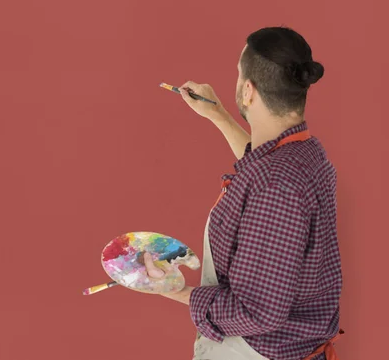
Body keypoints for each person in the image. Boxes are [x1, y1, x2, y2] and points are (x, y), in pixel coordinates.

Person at [142, 27, 343, 360]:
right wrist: (219, 115)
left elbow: (259, 313)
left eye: (238, 76)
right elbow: (260, 168)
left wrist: (173, 289)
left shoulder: (277, 187)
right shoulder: (305, 153)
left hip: (256, 352)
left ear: (248, 90)